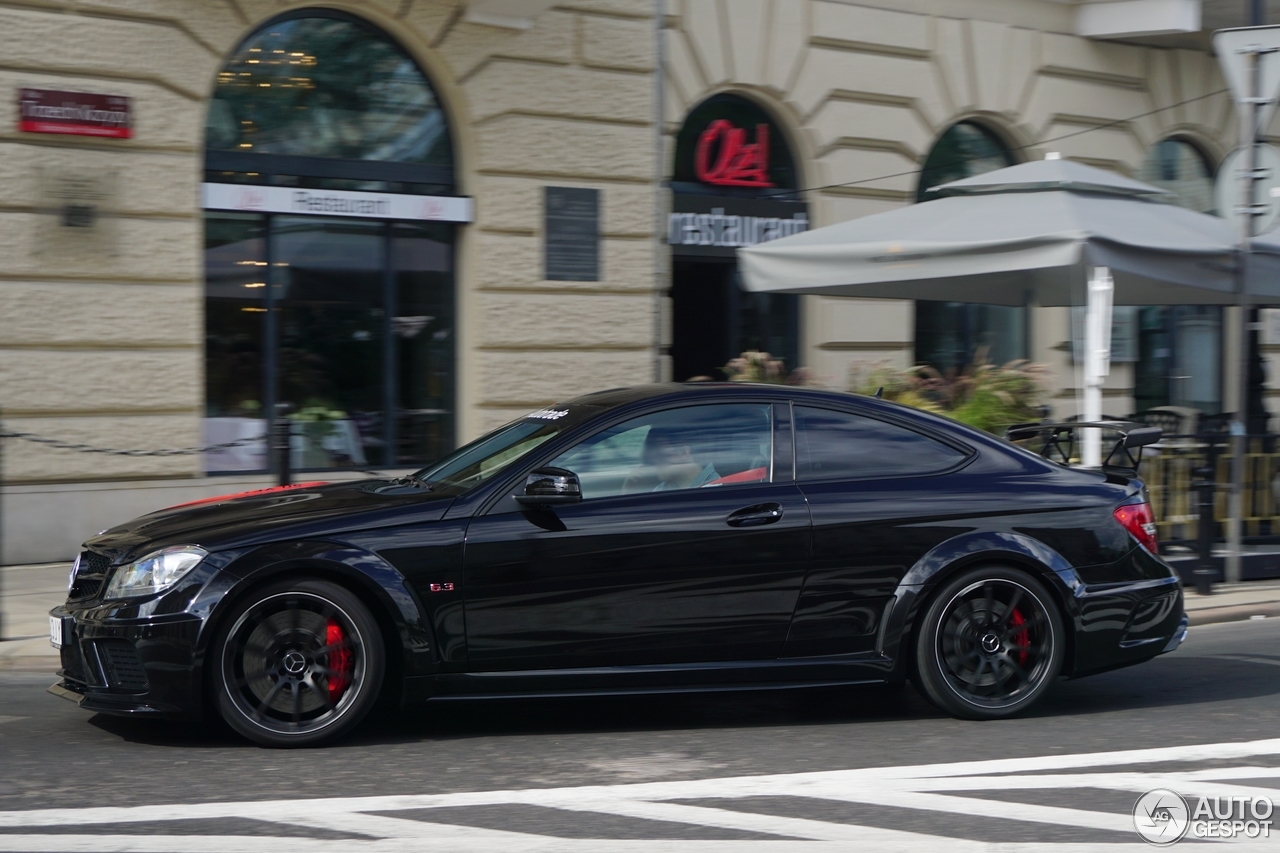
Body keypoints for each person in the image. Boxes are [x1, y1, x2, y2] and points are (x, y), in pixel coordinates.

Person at [640, 425, 719, 491]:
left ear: (684, 453)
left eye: (660, 455)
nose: (654, 462)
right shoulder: (660, 490)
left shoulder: (718, 486)